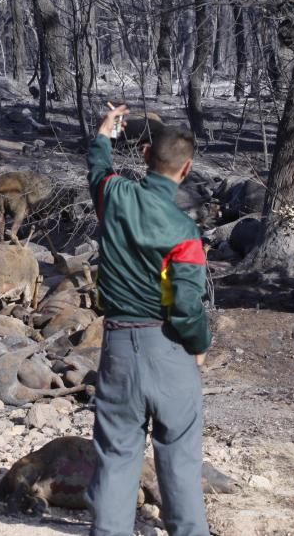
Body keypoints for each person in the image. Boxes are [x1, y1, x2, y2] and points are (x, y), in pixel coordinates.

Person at [85, 104, 211, 536]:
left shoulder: (115, 196)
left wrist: (104, 134)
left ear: (143, 156)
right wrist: (197, 345)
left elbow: (97, 170)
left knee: (117, 454)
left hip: (119, 345)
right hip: (170, 347)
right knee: (179, 456)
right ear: (187, 168)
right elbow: (187, 304)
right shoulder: (184, 231)